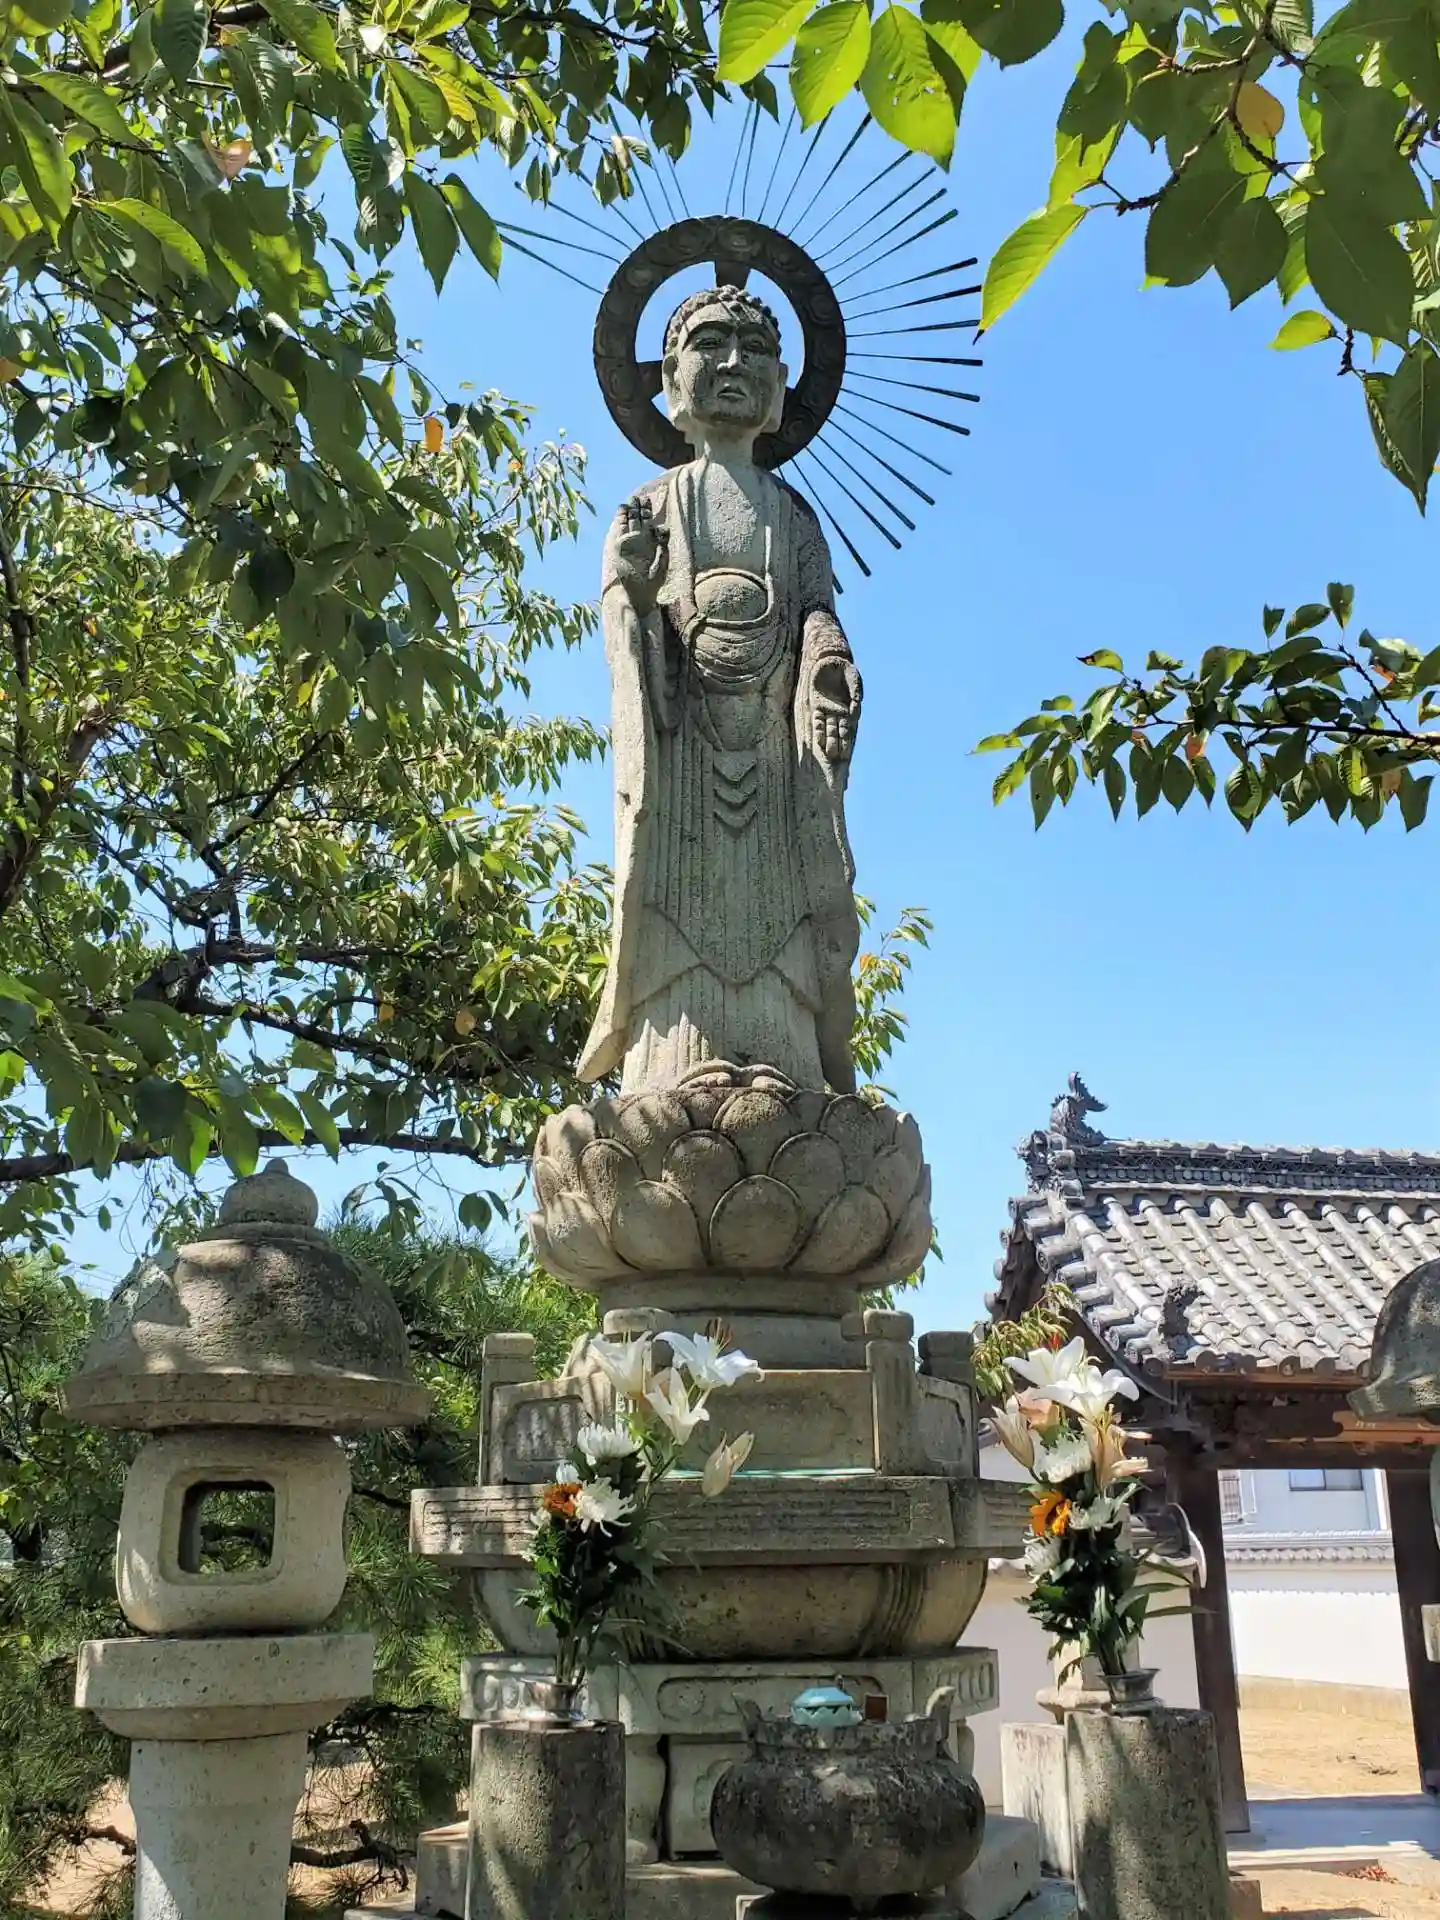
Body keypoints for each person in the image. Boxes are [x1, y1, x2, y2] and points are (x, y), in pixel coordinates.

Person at [577, 284, 864, 1095]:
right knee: (677, 919)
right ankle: (671, 1063)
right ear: (671, 378)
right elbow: (625, 621)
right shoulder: (649, 507)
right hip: (683, 763)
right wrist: (634, 596)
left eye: (756, 350)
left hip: (777, 759)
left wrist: (827, 661)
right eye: (709, 343)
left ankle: (787, 1061)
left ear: (780, 389)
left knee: (782, 920)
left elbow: (815, 613)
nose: (734, 362)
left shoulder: (795, 519)